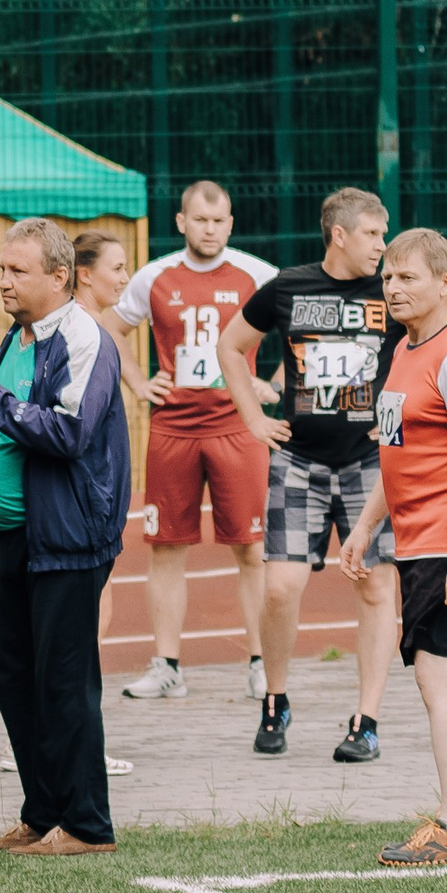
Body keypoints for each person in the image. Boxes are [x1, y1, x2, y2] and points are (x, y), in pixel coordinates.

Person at [0, 218, 131, 857]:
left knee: (63, 680)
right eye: (2, 269)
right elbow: (2, 438)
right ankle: (42, 812)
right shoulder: (16, 337)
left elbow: (67, 435)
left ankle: (86, 825)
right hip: (20, 535)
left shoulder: (85, 339)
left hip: (69, 536)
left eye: (17, 271)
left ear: (60, 277)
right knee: (13, 674)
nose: (3, 281)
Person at [218, 186, 400, 762]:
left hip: (368, 463)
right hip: (299, 460)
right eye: (373, 233)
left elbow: (426, 353)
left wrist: (394, 422)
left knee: (375, 585)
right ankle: (275, 699)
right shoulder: (288, 287)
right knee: (281, 588)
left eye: (384, 232)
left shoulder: (391, 292)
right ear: (340, 235)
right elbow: (230, 346)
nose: (383, 245)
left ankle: (366, 720)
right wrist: (253, 416)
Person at [341, 230, 447, 866]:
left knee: (440, 675)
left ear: (444, 284)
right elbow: (397, 453)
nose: (393, 288)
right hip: (418, 540)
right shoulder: (405, 349)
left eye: (407, 277)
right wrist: (364, 525)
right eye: (387, 277)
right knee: (443, 675)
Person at [95, 182, 278, 703]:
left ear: (231, 223)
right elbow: (107, 329)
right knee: (167, 546)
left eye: (219, 221)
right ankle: (167, 665)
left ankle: (263, 663)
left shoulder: (256, 275)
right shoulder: (154, 277)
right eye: (200, 220)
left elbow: (298, 331)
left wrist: (277, 387)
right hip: (173, 429)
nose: (210, 230)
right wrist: (135, 381)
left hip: (236, 428)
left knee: (251, 547)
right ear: (181, 222)